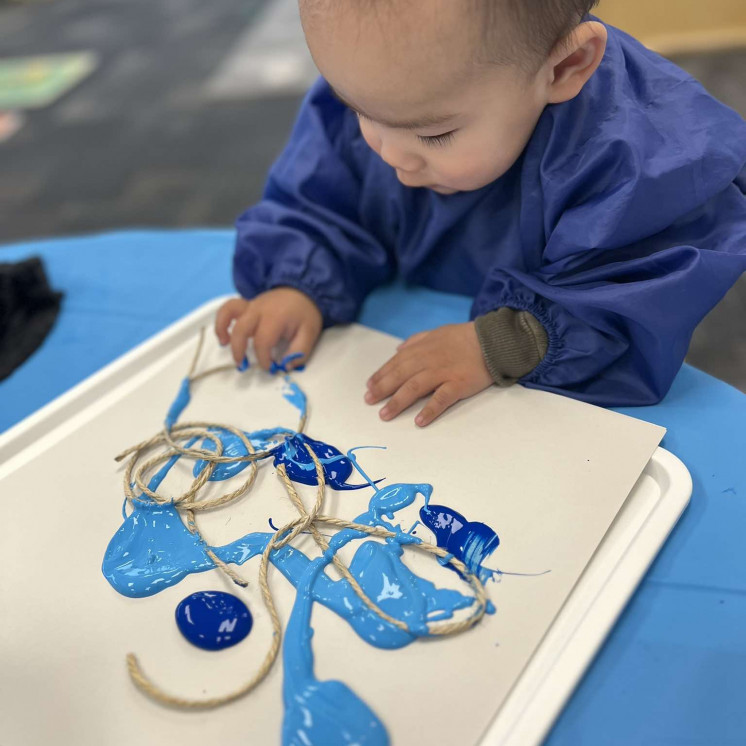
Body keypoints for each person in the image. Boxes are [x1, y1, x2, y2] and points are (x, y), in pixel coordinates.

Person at [215, 0, 746, 426]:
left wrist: (511, 340)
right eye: (358, 111)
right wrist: (297, 278)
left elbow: (644, 285)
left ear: (565, 67)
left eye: (433, 133)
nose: (388, 152)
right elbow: (318, 195)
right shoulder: (388, 88)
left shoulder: (645, 156)